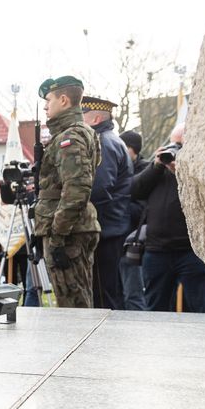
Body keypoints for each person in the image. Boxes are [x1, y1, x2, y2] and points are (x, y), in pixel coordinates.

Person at [129, 124, 205, 313]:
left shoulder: (199, 168)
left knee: (202, 309)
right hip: (156, 251)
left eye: (180, 145)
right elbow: (134, 190)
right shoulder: (157, 170)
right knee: (155, 309)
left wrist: (182, 172)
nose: (175, 150)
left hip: (192, 252)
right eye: (173, 144)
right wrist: (156, 166)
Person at [33, 76, 101, 308]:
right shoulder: (81, 132)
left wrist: (58, 236)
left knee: (72, 305)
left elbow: (77, 189)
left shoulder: (69, 137)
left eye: (49, 100)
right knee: (77, 299)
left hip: (68, 231)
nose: (45, 106)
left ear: (63, 100)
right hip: (72, 227)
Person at [81, 96, 133, 309]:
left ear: (96, 118)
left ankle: (106, 331)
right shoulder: (111, 140)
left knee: (102, 295)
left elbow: (99, 188)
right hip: (111, 226)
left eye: (82, 115)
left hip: (104, 229)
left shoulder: (103, 143)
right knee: (108, 291)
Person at [118, 129, 148, 310]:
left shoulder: (146, 172)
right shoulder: (119, 169)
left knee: (133, 294)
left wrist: (118, 205)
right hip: (116, 239)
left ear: (132, 149)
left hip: (133, 242)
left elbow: (143, 210)